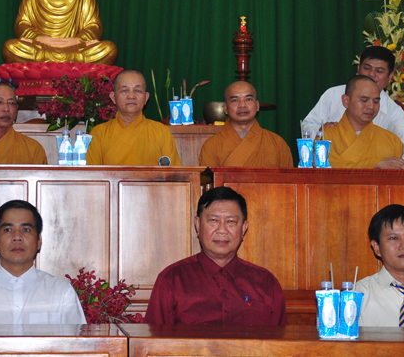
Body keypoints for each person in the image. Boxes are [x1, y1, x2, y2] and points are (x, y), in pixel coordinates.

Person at [146, 187, 286, 325]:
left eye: (231, 221)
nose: (222, 230)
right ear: (197, 224)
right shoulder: (171, 280)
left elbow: (281, 338)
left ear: (243, 228)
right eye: (213, 220)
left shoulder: (266, 283)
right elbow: (153, 338)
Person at [302, 46, 404, 168]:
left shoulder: (393, 117)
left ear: (391, 76)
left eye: (379, 71)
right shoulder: (333, 95)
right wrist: (321, 133)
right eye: (367, 68)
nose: (371, 74)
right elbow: (309, 128)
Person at [0, 200, 86, 324]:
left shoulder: (62, 292)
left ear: (39, 241)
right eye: (8, 230)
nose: (17, 237)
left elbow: (77, 337)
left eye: (26, 230)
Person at [86, 70, 181, 166]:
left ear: (146, 97)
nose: (131, 96)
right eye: (125, 91)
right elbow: (90, 174)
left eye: (137, 91)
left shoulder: (161, 132)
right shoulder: (98, 134)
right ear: (113, 97)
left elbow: (174, 174)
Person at [199, 81, 292, 167]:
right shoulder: (211, 146)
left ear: (257, 105)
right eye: (235, 100)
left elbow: (289, 178)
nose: (242, 105)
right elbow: (208, 179)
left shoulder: (278, 143)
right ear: (225, 108)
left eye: (248, 99)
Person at [326, 75, 404, 169]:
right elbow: (328, 171)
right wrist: (376, 164)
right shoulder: (326, 137)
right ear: (346, 101)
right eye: (364, 100)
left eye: (376, 102)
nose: (371, 106)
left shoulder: (393, 141)